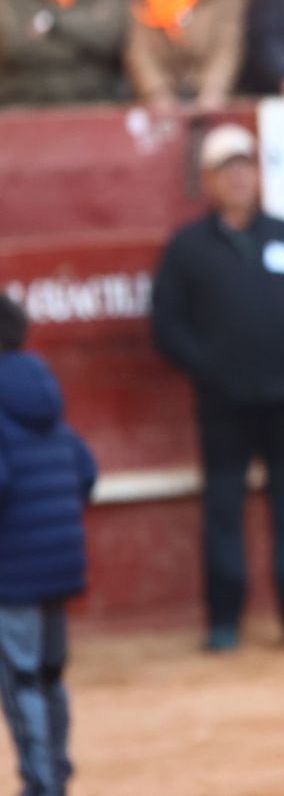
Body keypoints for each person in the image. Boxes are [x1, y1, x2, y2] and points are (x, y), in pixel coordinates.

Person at [151, 124, 284, 652]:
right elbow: (166, 324)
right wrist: (209, 370)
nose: (239, 178)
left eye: (245, 167)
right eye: (227, 170)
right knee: (223, 506)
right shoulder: (187, 248)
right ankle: (223, 621)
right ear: (208, 180)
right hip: (224, 402)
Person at [0, 295, 98, 796]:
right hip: (58, 560)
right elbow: (85, 470)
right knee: (49, 674)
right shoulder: (41, 392)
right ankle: (55, 773)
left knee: (21, 679)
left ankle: (42, 785)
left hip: (11, 569)